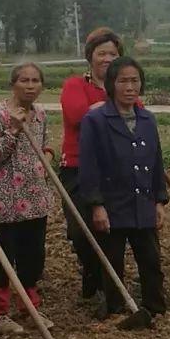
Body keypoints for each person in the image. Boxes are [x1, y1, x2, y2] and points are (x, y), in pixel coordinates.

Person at [78, 56, 168, 318]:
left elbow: (156, 162)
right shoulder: (96, 120)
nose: (130, 87)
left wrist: (159, 200)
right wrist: (96, 205)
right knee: (112, 260)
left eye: (135, 81)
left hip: (142, 203)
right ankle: (116, 308)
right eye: (123, 81)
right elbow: (89, 168)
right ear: (111, 84)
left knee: (150, 259)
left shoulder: (147, 120)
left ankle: (155, 306)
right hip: (112, 204)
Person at [0, 62, 56, 334]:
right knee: (3, 257)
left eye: (35, 80)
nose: (30, 85)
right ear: (13, 83)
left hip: (35, 197)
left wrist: (47, 156)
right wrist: (12, 130)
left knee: (32, 256)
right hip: (4, 199)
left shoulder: (40, 113)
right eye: (24, 80)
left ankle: (29, 307)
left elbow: (45, 143)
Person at [59, 27, 123, 302]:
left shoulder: (123, 86)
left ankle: (107, 286)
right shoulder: (75, 85)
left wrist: (102, 109)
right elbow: (77, 117)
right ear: (90, 57)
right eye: (102, 53)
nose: (107, 59)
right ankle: (91, 271)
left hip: (113, 168)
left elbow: (137, 115)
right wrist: (110, 109)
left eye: (113, 53)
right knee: (79, 230)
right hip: (78, 167)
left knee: (110, 228)